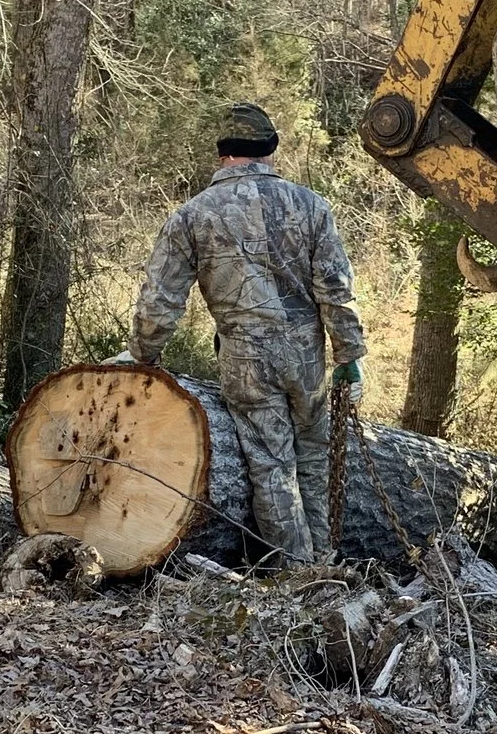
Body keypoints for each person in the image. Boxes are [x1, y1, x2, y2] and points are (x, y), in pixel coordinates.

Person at [129, 103, 367, 564]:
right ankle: (323, 564)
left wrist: (143, 355)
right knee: (314, 463)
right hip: (308, 358)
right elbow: (336, 291)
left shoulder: (192, 215)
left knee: (271, 468)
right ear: (271, 150)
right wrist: (350, 358)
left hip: (245, 359)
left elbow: (161, 299)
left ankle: (297, 575)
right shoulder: (313, 206)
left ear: (222, 154)